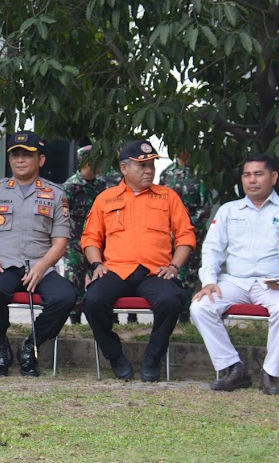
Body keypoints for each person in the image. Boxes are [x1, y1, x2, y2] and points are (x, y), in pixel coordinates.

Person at [190, 154, 279, 395]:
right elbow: (212, 249)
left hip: (275, 283)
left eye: (259, 174)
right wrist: (209, 281)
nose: (252, 180)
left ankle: (271, 374)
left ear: (273, 177)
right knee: (200, 307)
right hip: (234, 281)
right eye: (247, 175)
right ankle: (234, 369)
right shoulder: (228, 210)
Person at [81, 140, 196, 382]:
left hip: (155, 271)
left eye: (151, 165)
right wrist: (96, 264)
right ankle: (115, 356)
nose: (149, 170)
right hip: (115, 270)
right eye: (142, 165)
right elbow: (91, 237)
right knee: (92, 300)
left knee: (171, 300)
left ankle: (152, 358)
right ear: (124, 168)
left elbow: (186, 235)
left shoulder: (168, 196)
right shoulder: (106, 198)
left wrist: (174, 266)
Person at [0, 130, 76, 378]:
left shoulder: (56, 194)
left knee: (66, 296)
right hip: (4, 265)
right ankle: (1, 346)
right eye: (15, 155)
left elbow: (60, 243)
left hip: (42, 266)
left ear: (40, 160)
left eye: (27, 155)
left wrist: (41, 268)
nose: (19, 160)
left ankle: (31, 346)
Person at [62, 144, 121, 324]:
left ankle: (111, 317)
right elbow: (62, 217)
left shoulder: (102, 185)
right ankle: (75, 320)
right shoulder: (71, 186)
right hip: (75, 243)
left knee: (104, 278)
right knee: (74, 280)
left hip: (97, 243)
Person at [159, 150, 213, 322]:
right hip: (168, 234)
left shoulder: (200, 173)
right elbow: (159, 202)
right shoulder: (167, 173)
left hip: (192, 233)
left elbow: (206, 206)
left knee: (189, 273)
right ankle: (172, 311)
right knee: (170, 272)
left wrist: (186, 226)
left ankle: (185, 314)